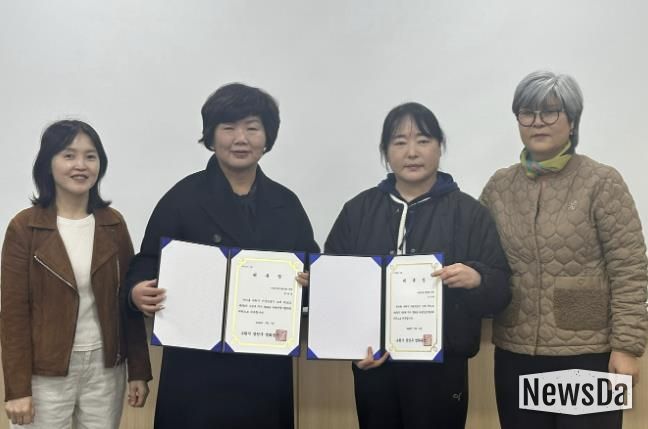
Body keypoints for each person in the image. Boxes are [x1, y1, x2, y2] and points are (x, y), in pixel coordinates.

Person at [125, 82, 319, 428]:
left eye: (252, 128)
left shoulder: (286, 204)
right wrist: (137, 290)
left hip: (263, 366)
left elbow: (312, 269)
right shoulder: (182, 197)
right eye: (228, 127)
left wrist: (310, 284)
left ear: (267, 137)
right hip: (194, 367)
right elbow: (147, 261)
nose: (240, 138)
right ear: (211, 136)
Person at [324, 102, 511, 428]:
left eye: (423, 140)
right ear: (385, 152)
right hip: (375, 366)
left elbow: (501, 289)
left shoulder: (469, 213)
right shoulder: (358, 211)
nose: (412, 152)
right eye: (399, 142)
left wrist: (477, 279)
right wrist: (352, 348)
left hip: (442, 371)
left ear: (440, 147)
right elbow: (335, 287)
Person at [480, 70, 648, 428]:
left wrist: (627, 347)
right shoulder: (499, 187)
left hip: (588, 354)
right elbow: (482, 259)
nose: (538, 122)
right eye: (528, 113)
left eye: (550, 112)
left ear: (572, 121)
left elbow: (630, 269)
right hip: (516, 353)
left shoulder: (601, 182)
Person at [1, 120, 152, 428]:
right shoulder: (24, 227)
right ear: (48, 164)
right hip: (45, 372)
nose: (81, 165)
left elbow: (127, 301)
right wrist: (17, 389)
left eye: (90, 156)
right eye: (69, 155)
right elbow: (13, 313)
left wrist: (138, 370)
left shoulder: (113, 224)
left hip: (105, 369)